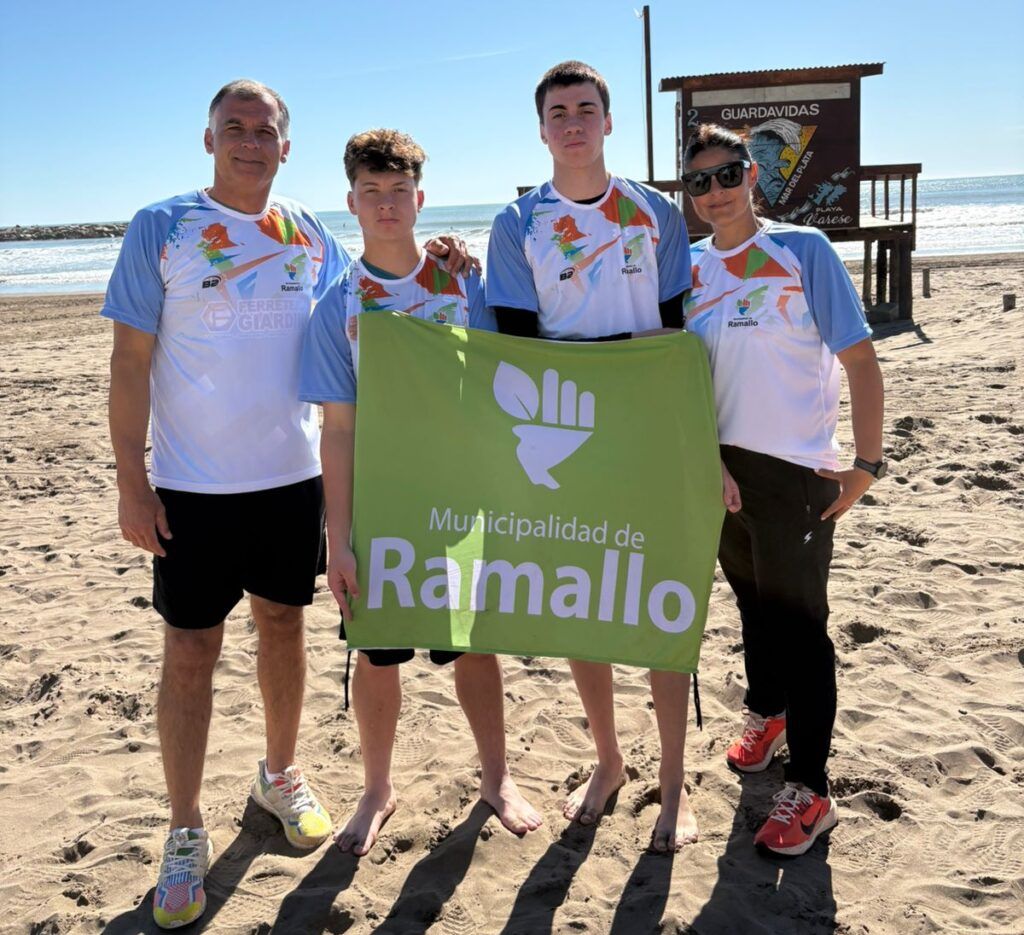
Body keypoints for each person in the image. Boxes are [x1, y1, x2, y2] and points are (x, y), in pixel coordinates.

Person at [104, 82, 472, 929]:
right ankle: (185, 827)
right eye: (233, 128)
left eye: (263, 130)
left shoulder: (305, 231)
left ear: (285, 147)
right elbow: (130, 361)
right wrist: (131, 476)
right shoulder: (163, 226)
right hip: (192, 487)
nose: (249, 141)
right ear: (208, 140)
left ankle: (278, 775)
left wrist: (446, 257)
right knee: (189, 650)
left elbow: (379, 288)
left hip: (294, 480)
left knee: (283, 626)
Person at [485, 60, 712, 853]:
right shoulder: (518, 223)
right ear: (542, 129)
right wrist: (619, 354)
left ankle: (675, 784)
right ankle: (609, 759)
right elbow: (518, 343)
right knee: (585, 604)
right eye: (559, 112)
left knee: (659, 605)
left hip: (649, 434)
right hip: (567, 437)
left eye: (586, 109)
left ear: (608, 122)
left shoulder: (655, 213)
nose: (574, 123)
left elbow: (677, 334)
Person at [298, 128, 543, 857]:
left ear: (420, 198)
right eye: (371, 191)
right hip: (380, 503)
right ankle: (377, 788)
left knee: (471, 644)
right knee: (377, 655)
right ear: (351, 202)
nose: (386, 204)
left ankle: (496, 777)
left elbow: (507, 379)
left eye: (398, 191)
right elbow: (337, 431)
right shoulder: (339, 304)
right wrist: (339, 541)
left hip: (461, 499)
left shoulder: (462, 282)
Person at [680, 123, 885, 856]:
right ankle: (767, 716)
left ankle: (812, 788)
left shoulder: (803, 250)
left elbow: (860, 360)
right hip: (722, 474)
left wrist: (867, 464)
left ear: (752, 175)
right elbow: (679, 375)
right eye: (699, 181)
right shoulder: (690, 268)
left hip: (797, 473)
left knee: (800, 631)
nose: (716, 191)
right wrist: (708, 460)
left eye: (728, 174)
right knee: (752, 608)